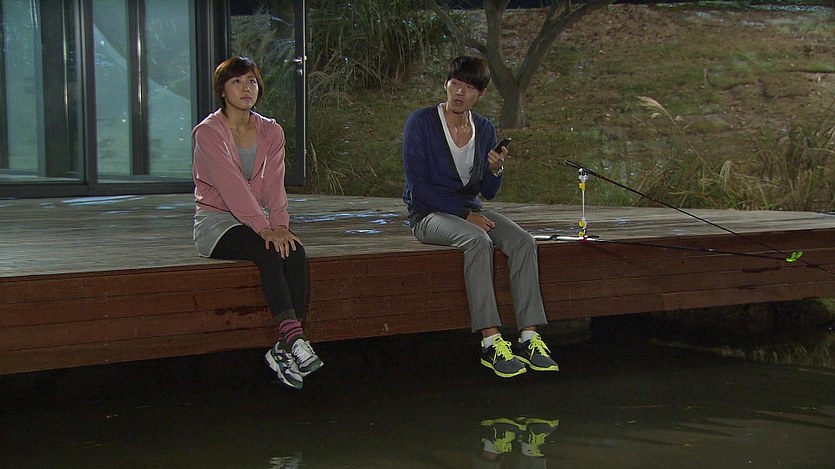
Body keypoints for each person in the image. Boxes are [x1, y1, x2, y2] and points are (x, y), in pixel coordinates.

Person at [402, 55, 559, 378]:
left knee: (523, 241)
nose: (460, 92)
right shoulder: (421, 123)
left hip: (470, 211)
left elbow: (487, 192)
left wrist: (495, 169)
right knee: (477, 241)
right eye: (455, 84)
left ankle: (529, 337)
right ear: (446, 84)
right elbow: (419, 188)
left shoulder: (484, 128)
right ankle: (491, 342)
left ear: (481, 93)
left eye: (470, 87)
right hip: (428, 214)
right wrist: (465, 215)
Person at [192, 56, 322, 390]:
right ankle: (294, 342)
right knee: (267, 249)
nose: (246, 88)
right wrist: (264, 228)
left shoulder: (271, 130)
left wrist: (280, 226)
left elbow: (276, 185)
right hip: (216, 223)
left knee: (293, 249)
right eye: (236, 82)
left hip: (259, 219)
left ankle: (287, 345)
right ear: (222, 90)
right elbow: (231, 186)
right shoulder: (208, 132)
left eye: (251, 81)